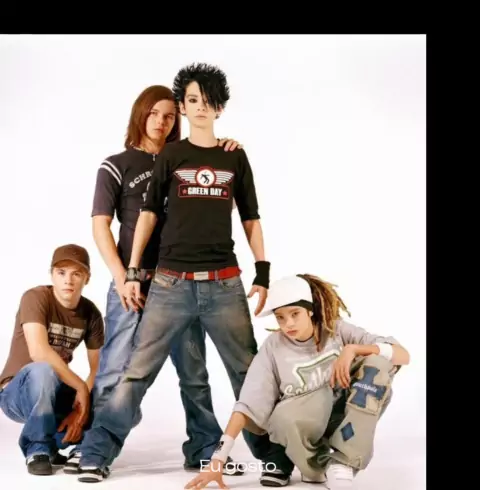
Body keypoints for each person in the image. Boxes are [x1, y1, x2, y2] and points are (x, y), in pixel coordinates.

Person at [75, 63, 293, 486]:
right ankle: (97, 451)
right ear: (183, 106)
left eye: (208, 101)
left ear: (220, 108)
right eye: (192, 100)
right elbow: (148, 214)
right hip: (170, 285)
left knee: (248, 373)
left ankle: (271, 457)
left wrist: (263, 272)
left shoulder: (234, 156)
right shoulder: (171, 157)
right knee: (137, 372)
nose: (200, 108)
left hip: (224, 285)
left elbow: (250, 216)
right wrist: (132, 270)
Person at [62, 85, 245, 476]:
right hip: (131, 282)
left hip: (178, 282)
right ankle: (92, 447)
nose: (161, 122)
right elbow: (100, 226)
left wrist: (225, 148)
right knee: (116, 370)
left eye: (168, 115)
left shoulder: (186, 158)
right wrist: (122, 275)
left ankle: (204, 446)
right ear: (139, 115)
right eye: (153, 113)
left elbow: (220, 197)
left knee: (194, 372)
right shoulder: (116, 164)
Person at [185, 273, 411, 489]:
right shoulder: (274, 346)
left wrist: (353, 349)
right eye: (280, 317)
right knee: (282, 418)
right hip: (305, 422)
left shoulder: (336, 330)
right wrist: (218, 458)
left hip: (344, 413)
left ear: (310, 310)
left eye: (295, 314)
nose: (288, 324)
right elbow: (247, 404)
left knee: (377, 365)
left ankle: (345, 460)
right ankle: (316, 465)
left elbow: (402, 355)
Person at [0, 244, 104, 476]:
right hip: (16, 393)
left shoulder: (90, 313)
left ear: (87, 278)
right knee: (43, 370)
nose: (68, 280)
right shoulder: (36, 297)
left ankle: (79, 447)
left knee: (112, 393)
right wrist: (81, 388)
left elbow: (99, 368)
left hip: (53, 392)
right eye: (61, 272)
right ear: (52, 274)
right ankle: (38, 449)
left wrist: (81, 409)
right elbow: (39, 352)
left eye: (76, 274)